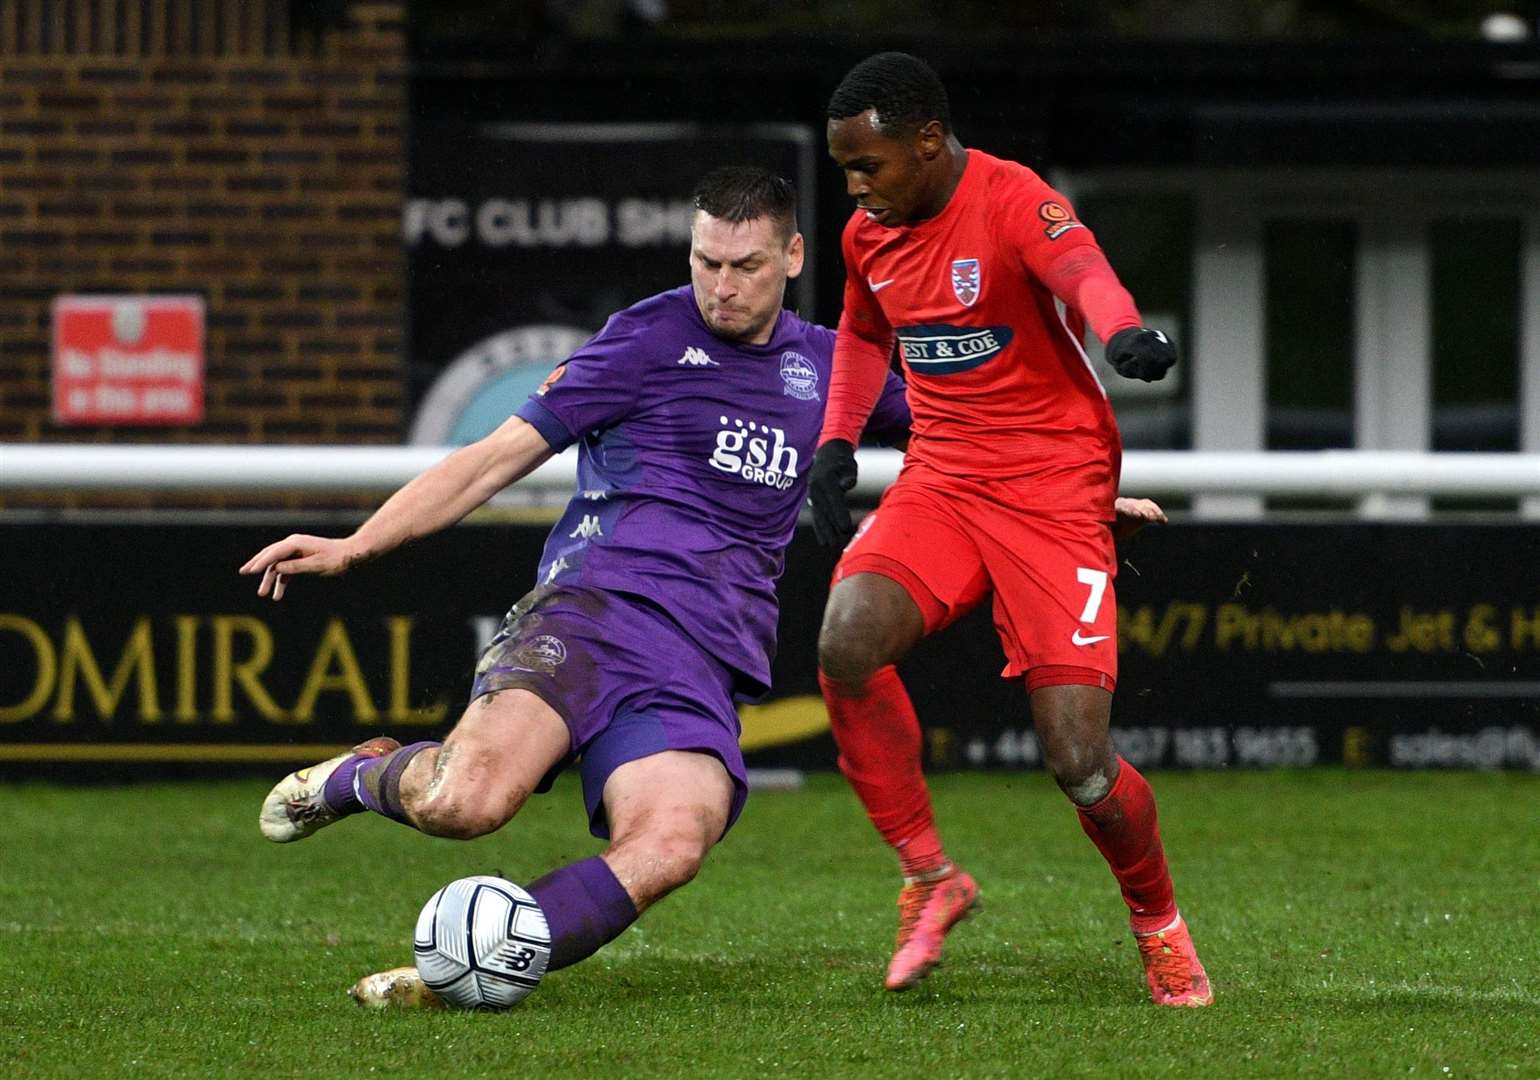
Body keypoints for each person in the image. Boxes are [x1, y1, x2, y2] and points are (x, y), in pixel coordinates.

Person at [242, 166, 912, 1006]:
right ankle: (357, 777)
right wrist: (356, 546)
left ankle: (470, 971)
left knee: (671, 844)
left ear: (792, 256)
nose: (721, 286)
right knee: (466, 804)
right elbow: (493, 457)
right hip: (593, 613)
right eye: (706, 261)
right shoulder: (644, 339)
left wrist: (1071, 497)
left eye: (744, 266)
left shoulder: (831, 367)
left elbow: (964, 441)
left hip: (702, 660)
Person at [806, 52, 1212, 1007]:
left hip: (1054, 489)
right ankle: (928, 876)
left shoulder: (1012, 198)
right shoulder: (871, 233)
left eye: (870, 167)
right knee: (846, 640)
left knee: (1076, 762)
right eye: (846, 172)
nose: (857, 189)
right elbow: (865, 336)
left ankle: (1159, 924)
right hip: (943, 477)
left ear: (929, 142)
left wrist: (1122, 332)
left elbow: (1082, 273)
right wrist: (836, 443)